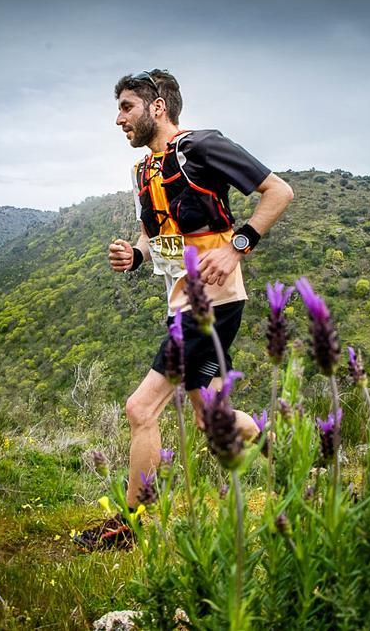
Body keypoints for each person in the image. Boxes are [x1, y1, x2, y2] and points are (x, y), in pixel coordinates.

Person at [74, 69, 294, 551]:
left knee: (140, 408)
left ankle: (124, 528)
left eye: (127, 107)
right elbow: (155, 236)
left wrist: (238, 245)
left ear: (157, 108)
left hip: (213, 305)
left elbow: (278, 192)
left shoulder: (203, 147)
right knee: (210, 419)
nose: (118, 119)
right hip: (182, 303)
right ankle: (282, 456)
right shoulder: (145, 170)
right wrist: (134, 256)